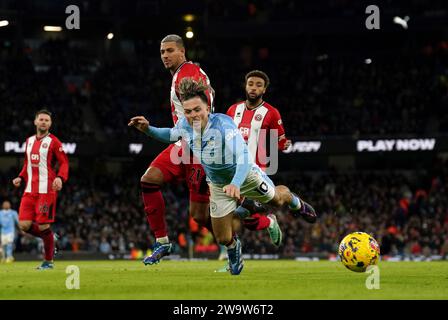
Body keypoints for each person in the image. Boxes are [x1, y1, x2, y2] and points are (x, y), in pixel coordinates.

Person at [129, 78, 317, 275]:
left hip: (245, 176)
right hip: (219, 185)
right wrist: (147, 129)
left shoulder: (223, 125)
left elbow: (244, 156)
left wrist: (236, 183)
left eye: (197, 110)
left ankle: (295, 201)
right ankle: (234, 248)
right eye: (188, 111)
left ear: (207, 109)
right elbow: (170, 134)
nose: (193, 115)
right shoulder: (185, 124)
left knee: (277, 201)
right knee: (222, 237)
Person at [139, 34, 264, 266]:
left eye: (169, 51)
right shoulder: (184, 74)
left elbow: (203, 106)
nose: (165, 55)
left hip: (198, 147)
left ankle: (250, 220)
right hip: (183, 144)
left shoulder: (187, 73)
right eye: (162, 52)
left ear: (182, 52)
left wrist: (199, 135)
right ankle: (163, 241)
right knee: (150, 180)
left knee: (199, 212)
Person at [12, 109, 69, 270]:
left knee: (43, 225)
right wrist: (21, 177)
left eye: (47, 120)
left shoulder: (54, 142)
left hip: (46, 191)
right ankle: (50, 237)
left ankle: (48, 262)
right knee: (23, 225)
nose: (44, 122)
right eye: (41, 119)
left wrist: (60, 177)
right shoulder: (29, 141)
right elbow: (26, 164)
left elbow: (64, 163)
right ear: (35, 122)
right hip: (30, 191)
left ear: (50, 124)